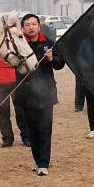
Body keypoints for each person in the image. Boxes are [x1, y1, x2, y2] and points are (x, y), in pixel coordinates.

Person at [14, 14, 65, 176]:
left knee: (45, 129)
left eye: (34, 24)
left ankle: (44, 163)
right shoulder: (19, 44)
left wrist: (51, 58)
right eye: (27, 24)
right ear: (23, 28)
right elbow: (13, 63)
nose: (31, 27)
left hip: (46, 93)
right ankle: (37, 161)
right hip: (26, 94)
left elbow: (60, 64)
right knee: (32, 131)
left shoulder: (49, 43)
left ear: (39, 25)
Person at [0, 55, 28, 147]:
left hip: (15, 80)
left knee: (20, 110)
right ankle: (7, 138)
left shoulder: (12, 43)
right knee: (3, 112)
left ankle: (26, 137)